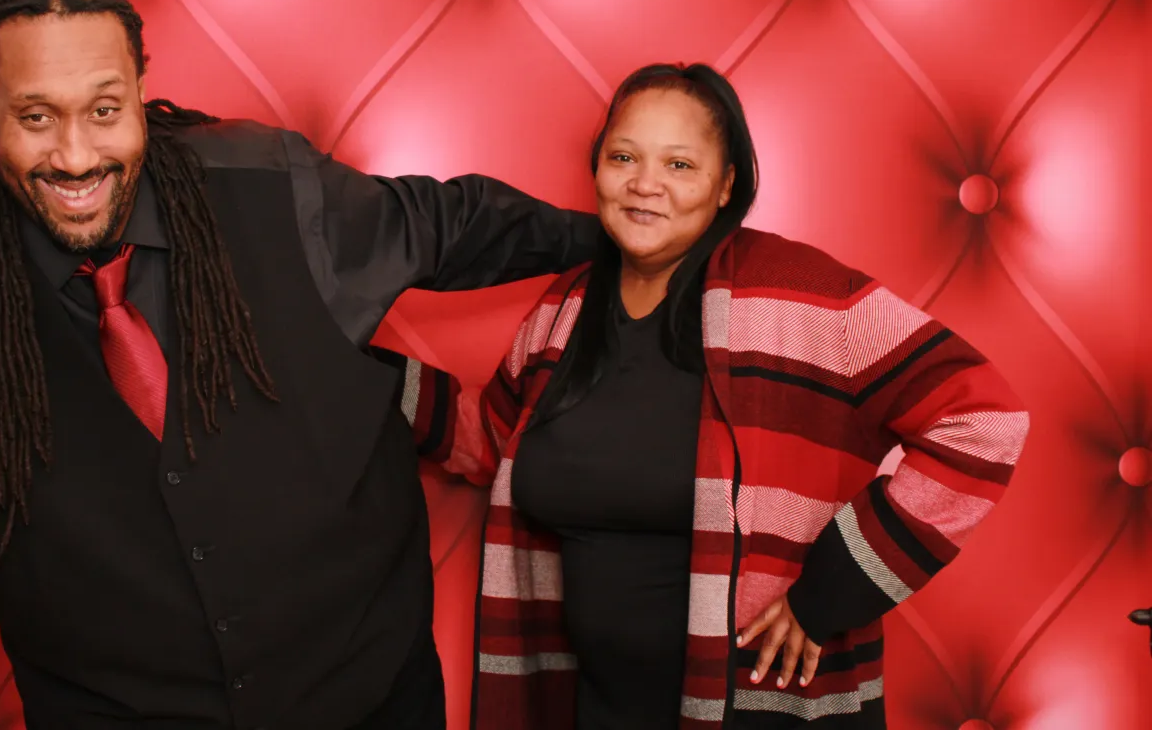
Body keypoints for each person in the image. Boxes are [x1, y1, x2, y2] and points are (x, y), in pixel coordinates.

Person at [0, 0, 604, 730]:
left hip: (376, 702)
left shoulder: (272, 189)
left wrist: (634, 243)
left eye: (104, 110)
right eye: (35, 117)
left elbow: (452, 225)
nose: (74, 155)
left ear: (142, 95)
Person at [387, 63, 1029, 729]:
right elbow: (491, 442)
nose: (644, 184)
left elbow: (983, 420)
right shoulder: (566, 307)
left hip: (754, 710)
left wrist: (831, 593)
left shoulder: (801, 295)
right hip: (592, 708)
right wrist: (357, 375)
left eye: (680, 165)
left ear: (726, 185)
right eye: (624, 157)